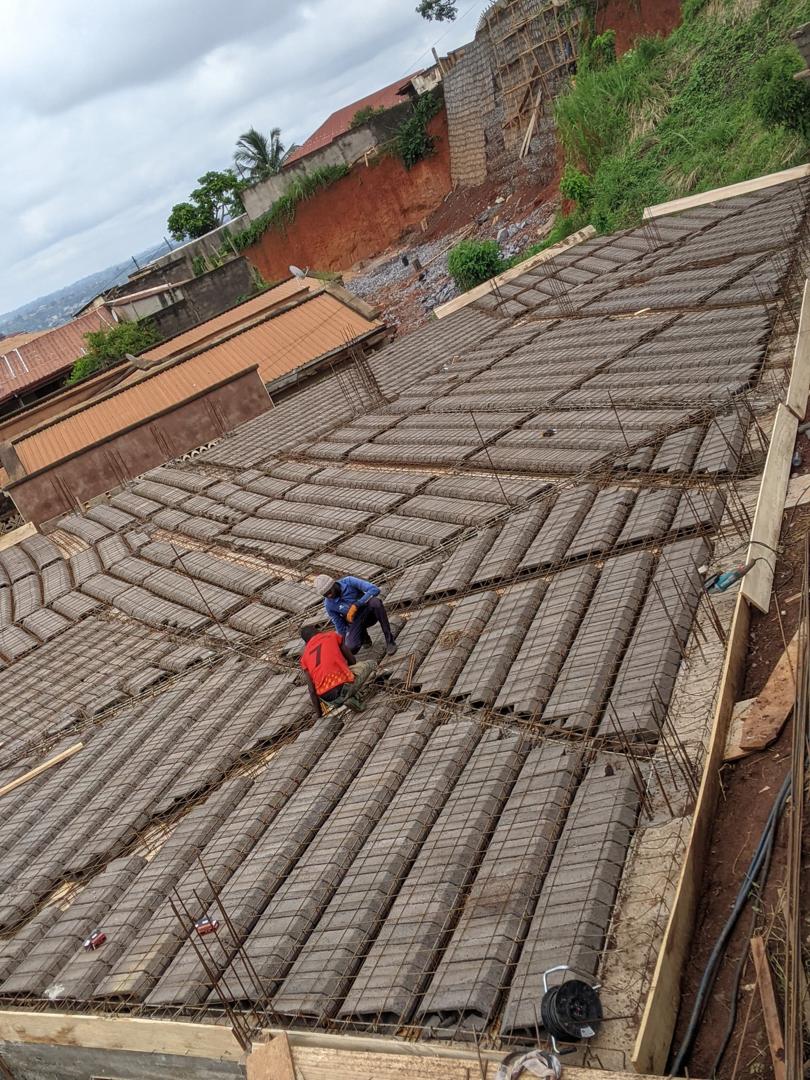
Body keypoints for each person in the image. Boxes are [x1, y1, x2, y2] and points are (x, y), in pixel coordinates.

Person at [299, 624, 376, 717]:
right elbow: (352, 660)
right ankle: (350, 696)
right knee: (371, 664)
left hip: (329, 699)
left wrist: (319, 715)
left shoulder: (304, 658)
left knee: (327, 688)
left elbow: (311, 690)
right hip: (343, 687)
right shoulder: (332, 636)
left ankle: (346, 698)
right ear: (317, 631)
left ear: (306, 643)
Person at [312, 574, 398, 656]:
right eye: (326, 595)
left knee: (375, 602)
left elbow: (374, 589)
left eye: (330, 592)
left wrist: (357, 605)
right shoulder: (329, 605)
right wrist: (342, 646)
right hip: (355, 621)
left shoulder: (349, 581)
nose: (329, 595)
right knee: (351, 648)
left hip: (369, 612)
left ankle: (389, 640)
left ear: (333, 584)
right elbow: (340, 626)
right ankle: (364, 637)